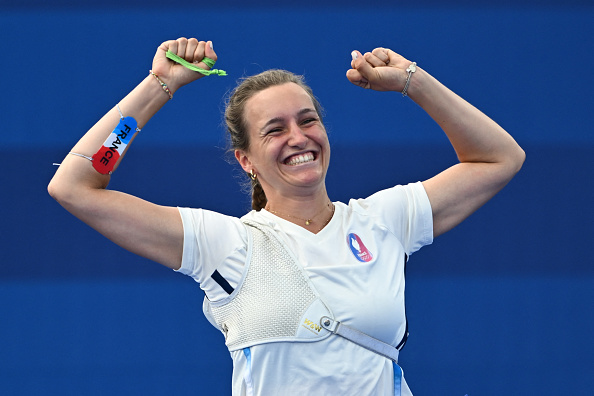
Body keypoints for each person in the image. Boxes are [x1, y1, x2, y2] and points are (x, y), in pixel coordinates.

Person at [48, 37, 525, 395]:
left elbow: (498, 158)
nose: (299, 138)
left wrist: (410, 81)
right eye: (275, 130)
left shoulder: (385, 220)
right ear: (246, 159)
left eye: (308, 120)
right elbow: (75, 186)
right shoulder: (223, 243)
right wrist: (160, 85)